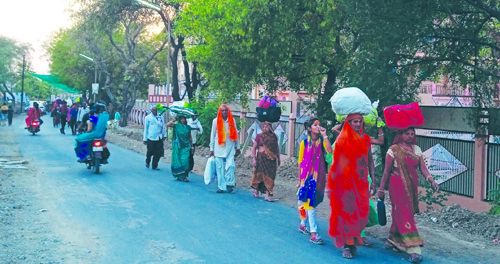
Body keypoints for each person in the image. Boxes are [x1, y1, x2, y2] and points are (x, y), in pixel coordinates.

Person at [377, 128, 439, 263]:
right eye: (407, 134)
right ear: (400, 134)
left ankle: (392, 240)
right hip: (396, 185)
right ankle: (414, 248)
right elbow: (386, 171)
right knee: (403, 213)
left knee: (404, 213)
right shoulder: (393, 150)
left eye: (412, 134)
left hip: (411, 186)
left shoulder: (416, 149)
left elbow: (423, 168)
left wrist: (431, 180)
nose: (410, 136)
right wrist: (381, 189)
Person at [328, 113, 376, 259]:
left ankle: (353, 242)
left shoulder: (366, 139)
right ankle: (348, 245)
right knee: (347, 213)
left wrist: (373, 180)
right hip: (345, 183)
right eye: (355, 121)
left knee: (360, 213)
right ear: (349, 123)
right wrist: (332, 184)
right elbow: (336, 163)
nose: (358, 124)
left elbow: (370, 161)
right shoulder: (342, 139)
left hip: (361, 182)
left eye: (360, 122)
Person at [296, 118, 333, 245]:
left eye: (319, 124)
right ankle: (313, 233)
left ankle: (302, 223)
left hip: (319, 176)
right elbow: (300, 162)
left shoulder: (322, 140)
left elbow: (329, 151)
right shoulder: (304, 143)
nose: (318, 126)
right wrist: (299, 179)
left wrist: (325, 135)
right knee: (307, 202)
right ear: (309, 128)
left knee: (308, 201)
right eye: (315, 125)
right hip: (306, 177)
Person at [209, 104, 241, 193]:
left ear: (228, 111)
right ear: (220, 112)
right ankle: (221, 186)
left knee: (230, 165)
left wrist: (237, 147)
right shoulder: (215, 121)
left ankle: (229, 184)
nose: (224, 112)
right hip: (218, 147)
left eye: (226, 110)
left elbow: (235, 134)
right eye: (222, 111)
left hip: (230, 147)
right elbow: (213, 134)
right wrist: (211, 148)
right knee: (219, 168)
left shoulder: (232, 120)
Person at [250, 121, 280, 202]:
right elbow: (254, 148)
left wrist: (279, 158)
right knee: (260, 176)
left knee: (270, 177)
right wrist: (254, 158)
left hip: (271, 161)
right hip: (261, 159)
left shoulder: (274, 137)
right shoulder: (259, 136)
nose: (264, 128)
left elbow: (276, 148)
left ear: (270, 127)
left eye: (266, 126)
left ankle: (268, 195)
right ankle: (256, 190)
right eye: (263, 127)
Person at [167, 115, 193, 182]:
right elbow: (168, 124)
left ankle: (184, 176)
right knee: (178, 160)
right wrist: (174, 119)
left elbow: (190, 137)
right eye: (181, 119)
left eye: (184, 119)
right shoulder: (176, 126)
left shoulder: (188, 127)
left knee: (185, 161)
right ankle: (179, 175)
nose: (183, 120)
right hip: (178, 147)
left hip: (186, 147)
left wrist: (192, 146)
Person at [143, 105, 166, 170]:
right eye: (153, 110)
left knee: (158, 152)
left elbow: (163, 127)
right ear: (151, 111)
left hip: (159, 137)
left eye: (155, 110)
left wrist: (164, 135)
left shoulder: (160, 117)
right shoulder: (148, 118)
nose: (155, 111)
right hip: (151, 137)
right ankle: (148, 161)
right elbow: (146, 128)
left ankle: (155, 165)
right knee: (150, 151)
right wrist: (145, 138)